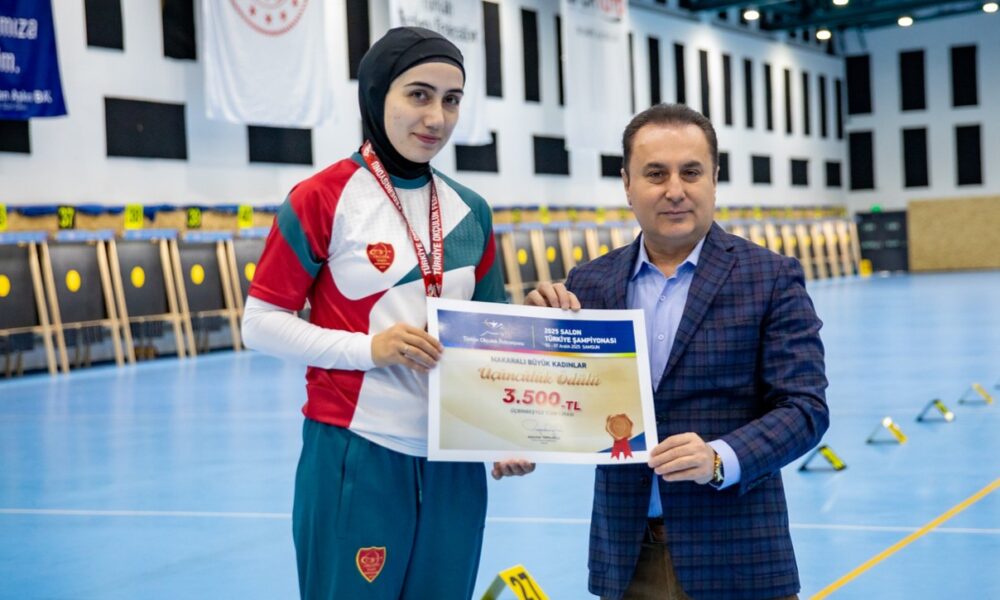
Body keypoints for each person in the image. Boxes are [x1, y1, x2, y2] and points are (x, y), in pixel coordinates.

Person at [241, 27, 531, 600]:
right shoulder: (321, 198)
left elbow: (489, 337)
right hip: (356, 449)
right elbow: (260, 322)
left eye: (452, 100)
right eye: (418, 95)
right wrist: (368, 349)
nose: (437, 118)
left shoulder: (471, 210)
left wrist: (504, 434)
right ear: (376, 96)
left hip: (455, 462)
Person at [525, 103, 829, 599]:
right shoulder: (589, 284)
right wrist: (523, 358)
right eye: (655, 174)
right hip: (628, 559)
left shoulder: (771, 277)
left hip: (739, 559)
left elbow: (805, 409)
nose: (674, 190)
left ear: (714, 180)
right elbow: (562, 405)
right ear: (627, 184)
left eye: (690, 172)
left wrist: (719, 458)